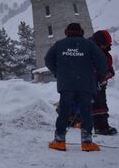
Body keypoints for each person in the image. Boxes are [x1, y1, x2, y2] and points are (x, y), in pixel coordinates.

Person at [45, 23, 107, 152]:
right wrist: (101, 73)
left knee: (64, 112)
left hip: (66, 84)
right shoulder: (89, 45)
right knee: (86, 113)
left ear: (67, 31)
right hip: (86, 84)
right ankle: (87, 143)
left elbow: (48, 59)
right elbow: (101, 61)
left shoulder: (59, 44)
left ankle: (59, 141)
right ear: (81, 31)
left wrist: (58, 72)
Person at [89, 30, 117, 135]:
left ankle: (103, 125)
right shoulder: (91, 49)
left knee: (101, 103)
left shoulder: (100, 49)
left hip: (100, 82)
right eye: (106, 44)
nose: (107, 46)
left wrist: (109, 72)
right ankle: (100, 127)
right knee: (97, 105)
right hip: (93, 82)